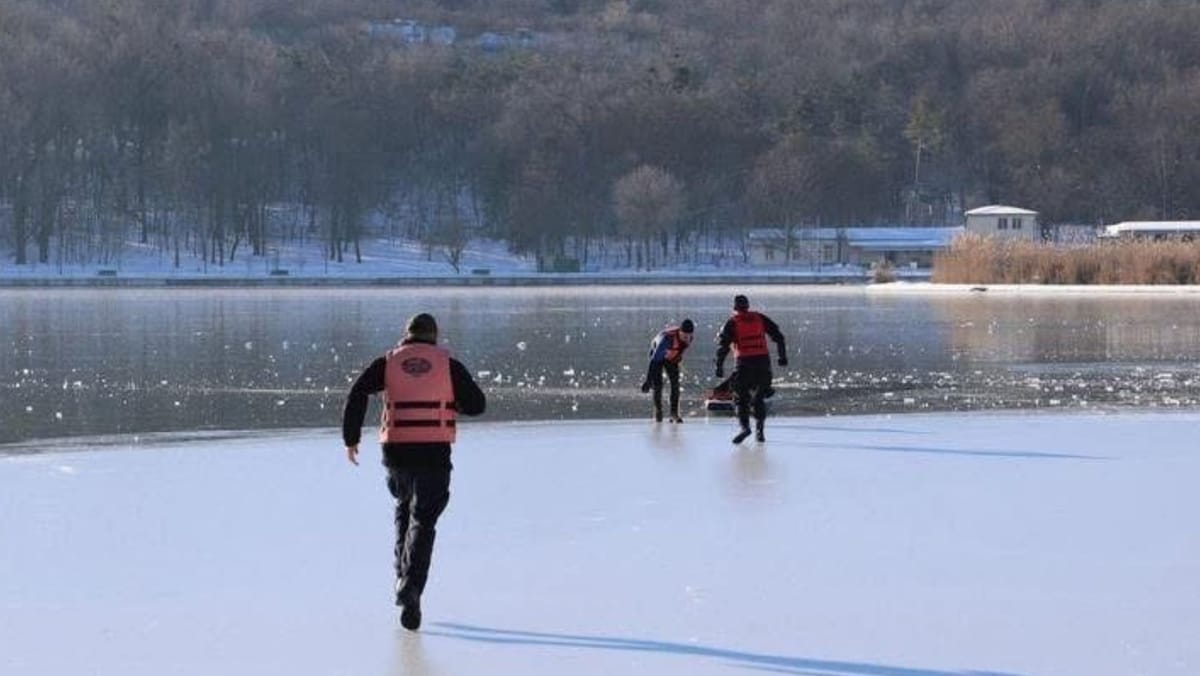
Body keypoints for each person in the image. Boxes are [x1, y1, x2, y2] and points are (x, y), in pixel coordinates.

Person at [342, 312, 486, 631]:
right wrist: (453, 403)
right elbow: (477, 404)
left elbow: (357, 392)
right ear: (435, 336)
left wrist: (351, 438)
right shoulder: (448, 364)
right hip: (434, 451)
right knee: (424, 519)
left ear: (406, 334)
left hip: (397, 451)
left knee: (404, 512)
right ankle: (411, 587)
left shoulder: (388, 362)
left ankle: (403, 580)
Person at [714, 295, 787, 444]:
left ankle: (745, 428)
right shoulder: (759, 317)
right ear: (748, 306)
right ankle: (760, 432)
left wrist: (719, 366)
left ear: (734, 308)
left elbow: (722, 347)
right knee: (759, 398)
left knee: (740, 398)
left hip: (744, 364)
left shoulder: (732, 322)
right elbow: (779, 336)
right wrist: (782, 357)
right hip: (763, 364)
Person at [640, 319, 695, 422]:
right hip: (657, 354)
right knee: (658, 385)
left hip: (671, 356)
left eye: (689, 337)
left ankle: (674, 413)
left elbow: (680, 349)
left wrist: (677, 357)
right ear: (680, 332)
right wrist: (648, 381)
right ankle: (658, 412)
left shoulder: (689, 338)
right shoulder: (667, 339)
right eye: (684, 336)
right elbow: (654, 362)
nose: (686, 339)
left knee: (675, 384)